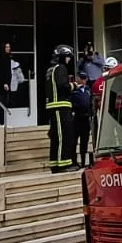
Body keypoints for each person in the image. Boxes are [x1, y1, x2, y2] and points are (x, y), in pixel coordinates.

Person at [44, 44, 77, 172]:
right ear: (63, 57)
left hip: (53, 107)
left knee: (55, 136)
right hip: (60, 106)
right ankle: (64, 164)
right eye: (68, 57)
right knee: (64, 135)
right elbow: (64, 86)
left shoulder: (50, 69)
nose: (69, 60)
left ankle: (55, 164)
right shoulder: (61, 68)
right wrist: (74, 85)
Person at [70, 74, 94, 165]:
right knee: (74, 141)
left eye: (85, 79)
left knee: (85, 141)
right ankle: (74, 161)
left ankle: (84, 162)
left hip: (85, 118)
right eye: (82, 78)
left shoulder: (88, 89)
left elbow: (90, 102)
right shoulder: (73, 89)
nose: (83, 80)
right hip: (76, 117)